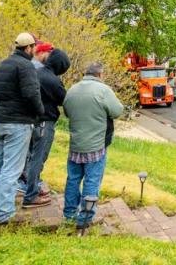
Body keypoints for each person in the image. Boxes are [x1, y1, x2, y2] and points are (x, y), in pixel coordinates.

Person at [0, 32, 44, 225]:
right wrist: (40, 112)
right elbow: (31, 94)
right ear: (28, 48)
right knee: (11, 170)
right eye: (34, 47)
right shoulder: (25, 66)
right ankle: (4, 214)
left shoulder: (3, 64)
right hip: (17, 124)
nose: (34, 51)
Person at [62, 62, 124, 228]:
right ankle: (85, 218)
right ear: (100, 75)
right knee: (92, 181)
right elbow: (117, 111)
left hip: (75, 145)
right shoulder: (103, 90)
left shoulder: (72, 90)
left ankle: (69, 214)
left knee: (73, 180)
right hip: (96, 146)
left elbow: (66, 112)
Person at [22, 45, 70, 208]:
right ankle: (31, 196)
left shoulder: (34, 72)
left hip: (30, 121)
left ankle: (30, 187)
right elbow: (65, 101)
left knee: (29, 156)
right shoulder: (53, 81)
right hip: (45, 123)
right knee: (38, 159)